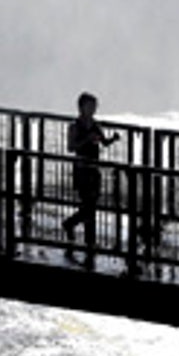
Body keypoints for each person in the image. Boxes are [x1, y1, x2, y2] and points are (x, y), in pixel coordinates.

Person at [61, 91, 120, 258]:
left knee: (91, 205)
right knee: (89, 205)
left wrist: (113, 139)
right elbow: (71, 147)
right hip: (81, 169)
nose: (93, 109)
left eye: (95, 106)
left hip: (94, 169)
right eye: (90, 106)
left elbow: (104, 142)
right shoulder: (74, 126)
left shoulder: (96, 124)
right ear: (81, 107)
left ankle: (76, 229)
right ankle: (85, 237)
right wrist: (87, 139)